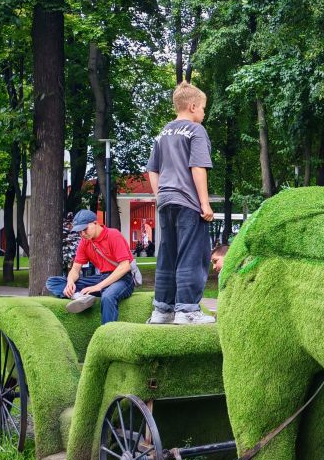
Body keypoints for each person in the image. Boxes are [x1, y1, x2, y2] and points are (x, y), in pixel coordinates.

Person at [146, 82, 216, 325]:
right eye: (203, 108)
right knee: (192, 254)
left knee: (168, 253)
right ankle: (187, 311)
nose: (204, 113)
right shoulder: (196, 130)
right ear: (193, 106)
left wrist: (160, 197)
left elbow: (152, 170)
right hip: (187, 202)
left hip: (166, 201)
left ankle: (162, 310)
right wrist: (204, 204)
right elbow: (197, 166)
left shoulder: (163, 133)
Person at [46, 209, 136, 324]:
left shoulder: (113, 235)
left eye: (85, 229)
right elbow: (75, 269)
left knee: (108, 296)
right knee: (53, 282)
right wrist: (70, 282)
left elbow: (125, 267)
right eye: (79, 231)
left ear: (95, 223)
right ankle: (80, 297)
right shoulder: (84, 241)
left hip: (123, 278)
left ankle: (106, 333)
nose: (82, 234)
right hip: (102, 277)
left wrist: (98, 287)